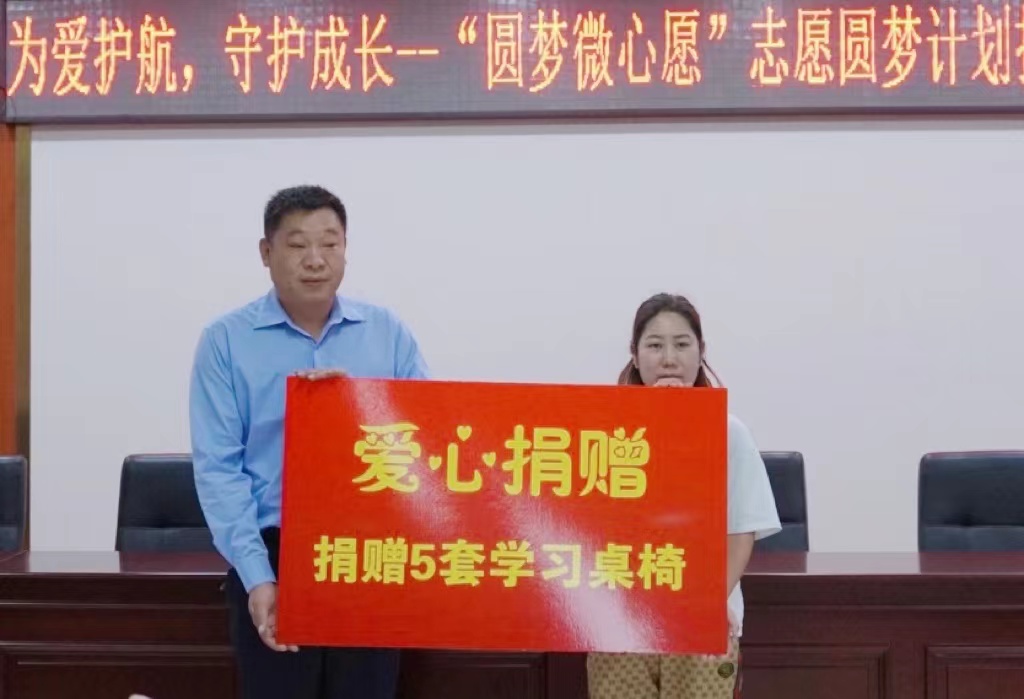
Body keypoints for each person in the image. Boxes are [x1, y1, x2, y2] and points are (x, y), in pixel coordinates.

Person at [189, 185, 428, 699]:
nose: (315, 260)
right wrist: (258, 576)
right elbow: (219, 469)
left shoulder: (387, 333)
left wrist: (360, 404)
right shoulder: (225, 341)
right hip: (275, 553)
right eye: (297, 245)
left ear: (346, 248)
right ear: (266, 252)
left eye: (330, 243)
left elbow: (426, 443)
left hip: (369, 553)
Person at [587, 293, 781, 699]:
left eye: (681, 344)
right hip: (621, 617)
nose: (669, 359)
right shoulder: (604, 432)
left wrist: (709, 603)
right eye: (655, 345)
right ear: (635, 356)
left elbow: (741, 533)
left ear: (701, 352)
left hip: (703, 619)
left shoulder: (729, 432)